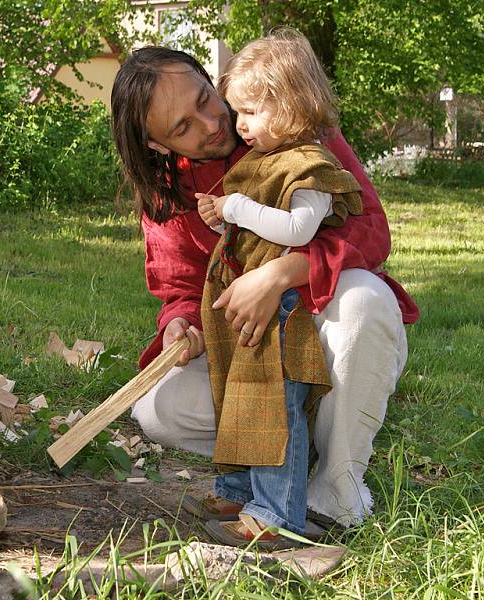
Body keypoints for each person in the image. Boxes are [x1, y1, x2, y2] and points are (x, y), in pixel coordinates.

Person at [110, 45, 418, 531]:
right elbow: (183, 288)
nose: (212, 123)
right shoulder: (167, 194)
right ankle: (295, 447)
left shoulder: (292, 122)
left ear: (211, 80)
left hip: (324, 327)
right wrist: (180, 326)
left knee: (364, 299)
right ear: (158, 146)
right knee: (156, 411)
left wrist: (279, 275)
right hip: (254, 348)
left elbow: (372, 230)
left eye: (205, 99)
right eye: (183, 128)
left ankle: (337, 486)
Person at [190, 29, 366, 547]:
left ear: (291, 105)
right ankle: (240, 488)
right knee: (237, 394)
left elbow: (298, 231)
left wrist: (236, 209)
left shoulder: (309, 165)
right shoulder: (264, 160)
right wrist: (224, 223)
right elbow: (259, 227)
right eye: (236, 111)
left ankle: (276, 514)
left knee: (273, 405)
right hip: (250, 302)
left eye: (251, 111)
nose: (238, 124)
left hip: (284, 308)